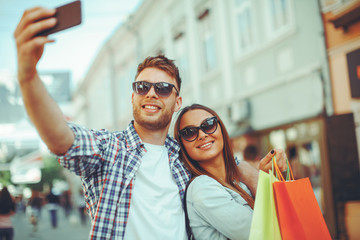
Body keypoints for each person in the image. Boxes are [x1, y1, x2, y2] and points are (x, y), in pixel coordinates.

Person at [14, 6, 287, 239]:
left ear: (176, 102)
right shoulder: (109, 149)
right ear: (133, 96)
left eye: (164, 88)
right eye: (143, 86)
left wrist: (262, 176)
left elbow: (230, 164)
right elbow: (61, 138)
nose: (152, 93)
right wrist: (28, 76)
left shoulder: (185, 151)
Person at [174, 104, 284, 240]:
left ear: (221, 129)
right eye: (189, 132)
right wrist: (261, 180)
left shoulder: (237, 180)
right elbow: (261, 233)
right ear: (182, 144)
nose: (202, 135)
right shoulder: (202, 187)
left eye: (208, 125)